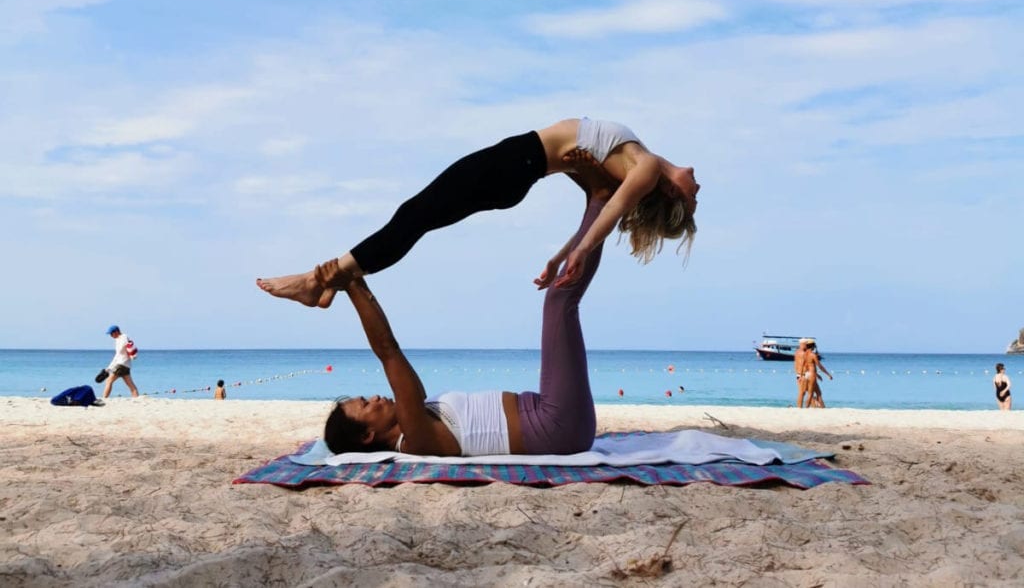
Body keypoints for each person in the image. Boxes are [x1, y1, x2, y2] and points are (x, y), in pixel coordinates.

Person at [257, 117, 699, 308]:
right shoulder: (628, 161)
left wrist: (580, 251)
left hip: (515, 163)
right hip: (518, 171)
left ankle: (316, 281)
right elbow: (597, 200)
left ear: (673, 197)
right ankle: (329, 284)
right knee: (415, 218)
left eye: (693, 200)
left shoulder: (644, 169)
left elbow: (614, 208)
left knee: (412, 217)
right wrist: (557, 256)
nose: (698, 187)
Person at [323, 172, 614, 456]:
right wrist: (349, 283)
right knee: (559, 300)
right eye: (365, 404)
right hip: (558, 427)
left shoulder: (418, 413)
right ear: (367, 436)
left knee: (559, 300)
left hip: (549, 414)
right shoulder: (416, 437)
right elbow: (388, 349)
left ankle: (597, 198)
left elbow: (391, 353)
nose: (374, 397)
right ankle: (601, 197)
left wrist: (355, 280)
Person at [102, 325, 139, 399]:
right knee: (131, 385)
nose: (111, 336)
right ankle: (137, 399)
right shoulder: (118, 340)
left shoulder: (123, 338)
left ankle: (104, 399)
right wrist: (109, 368)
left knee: (108, 381)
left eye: (111, 333)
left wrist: (110, 368)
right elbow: (117, 356)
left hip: (121, 364)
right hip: (126, 365)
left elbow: (123, 350)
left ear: (116, 332)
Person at [804, 341, 832, 408]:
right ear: (813, 346)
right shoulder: (812, 355)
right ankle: (806, 408)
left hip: (807, 374)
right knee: (811, 394)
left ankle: (823, 408)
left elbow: (806, 366)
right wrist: (828, 374)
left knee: (818, 393)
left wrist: (817, 374)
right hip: (812, 375)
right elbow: (820, 366)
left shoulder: (805, 354)